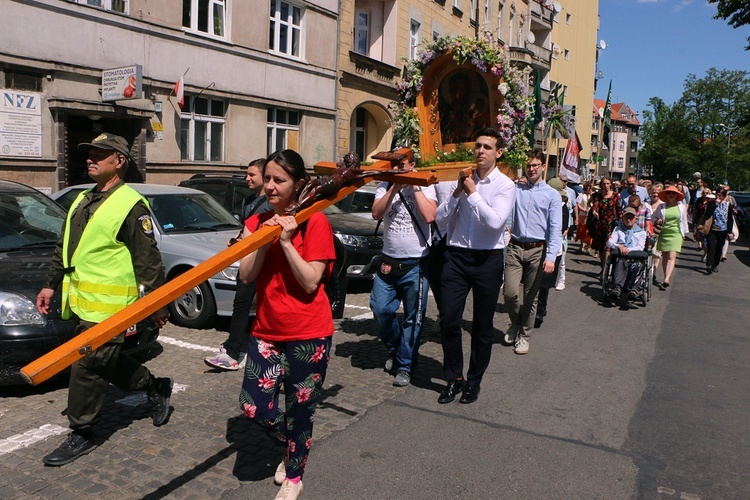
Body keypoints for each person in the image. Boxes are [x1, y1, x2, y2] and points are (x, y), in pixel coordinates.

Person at [36, 132, 171, 467]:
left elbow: (148, 260)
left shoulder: (130, 205)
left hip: (113, 308)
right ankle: (155, 386)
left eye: (100, 154)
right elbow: (65, 246)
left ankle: (82, 430)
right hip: (83, 301)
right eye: (89, 153)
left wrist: (156, 306)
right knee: (105, 362)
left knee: (88, 365)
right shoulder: (83, 199)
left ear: (119, 161)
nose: (90, 159)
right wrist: (50, 284)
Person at [237, 149, 336, 500]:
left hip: (309, 332)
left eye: (279, 180)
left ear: (299, 185)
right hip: (267, 329)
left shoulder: (317, 221)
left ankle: (295, 474)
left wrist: (286, 242)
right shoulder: (255, 221)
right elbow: (247, 276)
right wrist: (262, 241)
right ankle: (292, 442)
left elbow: (311, 281)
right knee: (254, 406)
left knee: (300, 407)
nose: (270, 187)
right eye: (268, 179)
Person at [434, 127, 515, 404]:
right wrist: (458, 192)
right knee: (449, 320)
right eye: (478, 146)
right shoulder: (463, 179)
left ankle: (474, 381)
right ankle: (454, 378)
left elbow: (495, 222)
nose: (480, 151)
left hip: (487, 259)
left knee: (482, 325)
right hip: (456, 256)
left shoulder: (505, 185)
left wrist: (473, 193)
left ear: (498, 153)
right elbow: (440, 219)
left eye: (487, 147)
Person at [370, 152, 437, 387]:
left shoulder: (426, 184)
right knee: (379, 309)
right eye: (395, 165)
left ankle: (406, 365)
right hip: (389, 261)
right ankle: (396, 349)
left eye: (402, 164)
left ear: (412, 164)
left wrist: (414, 185)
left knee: (413, 318)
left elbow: (429, 215)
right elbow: (377, 212)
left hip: (416, 264)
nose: (398, 168)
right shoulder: (385, 185)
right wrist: (395, 186)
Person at [205, 159, 272, 371]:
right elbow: (247, 228)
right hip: (247, 259)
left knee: (246, 305)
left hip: (260, 262)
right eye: (247, 174)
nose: (247, 178)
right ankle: (236, 347)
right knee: (243, 305)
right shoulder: (250, 200)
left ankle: (233, 352)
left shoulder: (269, 204)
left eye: (252, 175)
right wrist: (237, 238)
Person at [503, 152, 562, 354]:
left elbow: (555, 228)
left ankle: (524, 335)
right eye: (529, 165)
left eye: (536, 165)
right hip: (515, 246)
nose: (532, 169)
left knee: (531, 297)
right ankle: (515, 322)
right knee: (509, 293)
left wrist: (551, 257)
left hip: (538, 249)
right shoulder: (516, 189)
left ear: (543, 167)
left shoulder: (552, 195)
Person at [534, 176, 569, 328]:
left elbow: (561, 229)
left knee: (544, 285)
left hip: (553, 250)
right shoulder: (540, 203)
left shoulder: (562, 208)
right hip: (537, 248)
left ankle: (540, 310)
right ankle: (531, 309)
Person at [604, 207, 648, 300]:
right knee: (621, 261)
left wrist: (628, 249)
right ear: (622, 218)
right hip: (621, 255)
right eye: (626, 217)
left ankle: (635, 289)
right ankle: (617, 287)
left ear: (635, 219)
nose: (629, 220)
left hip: (635, 255)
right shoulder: (618, 229)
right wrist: (619, 246)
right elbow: (610, 242)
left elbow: (640, 247)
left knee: (639, 264)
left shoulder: (641, 232)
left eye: (631, 217)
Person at [652, 185, 689, 288]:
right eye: (669, 193)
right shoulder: (662, 206)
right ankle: (665, 275)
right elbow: (653, 217)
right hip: (664, 233)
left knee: (672, 256)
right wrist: (657, 221)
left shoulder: (681, 207)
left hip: (676, 233)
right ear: (666, 195)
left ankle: (667, 278)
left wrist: (684, 235)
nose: (671, 195)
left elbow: (684, 221)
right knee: (664, 256)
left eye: (673, 193)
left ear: (677, 195)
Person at [588, 177, 622, 277]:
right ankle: (603, 267)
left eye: (607, 184)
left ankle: (606, 270)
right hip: (599, 224)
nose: (606, 186)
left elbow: (619, 210)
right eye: (604, 184)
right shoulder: (597, 195)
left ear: (611, 184)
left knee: (607, 247)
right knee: (600, 248)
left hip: (611, 224)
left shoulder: (615, 196)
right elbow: (593, 204)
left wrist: (621, 222)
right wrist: (593, 210)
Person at [701, 188, 735, 274]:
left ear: (724, 196)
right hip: (712, 229)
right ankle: (709, 264)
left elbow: (730, 219)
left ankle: (715, 264)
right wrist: (715, 205)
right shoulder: (712, 204)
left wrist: (730, 231)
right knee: (711, 247)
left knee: (719, 248)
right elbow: (708, 214)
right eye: (717, 195)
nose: (718, 197)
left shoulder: (728, 205)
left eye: (720, 196)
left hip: (723, 230)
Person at [575, 181, 593, 253]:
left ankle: (589, 246)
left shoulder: (593, 195)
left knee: (589, 231)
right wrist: (584, 210)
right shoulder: (581, 195)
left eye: (590, 188)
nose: (588, 189)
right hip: (582, 214)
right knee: (582, 230)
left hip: (590, 215)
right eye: (587, 188)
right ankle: (582, 244)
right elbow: (578, 204)